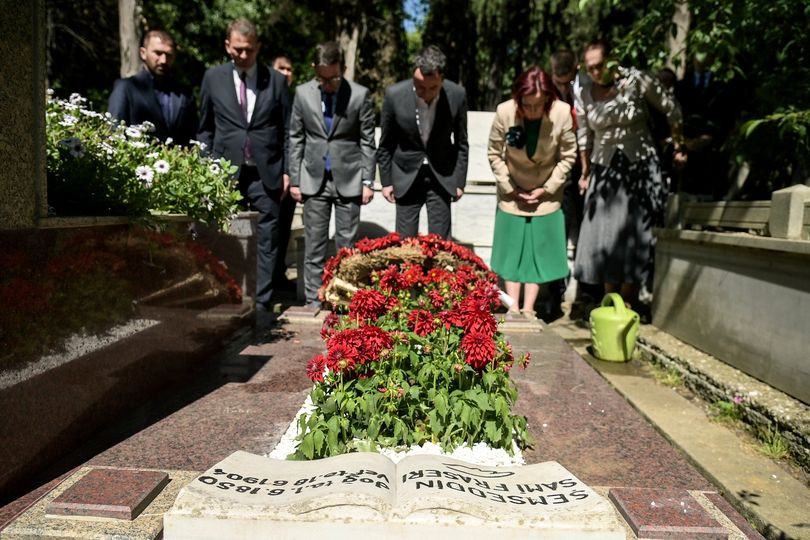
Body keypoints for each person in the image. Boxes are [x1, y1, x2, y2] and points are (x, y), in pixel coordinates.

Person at [573, 40, 686, 308]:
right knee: (605, 233)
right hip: (604, 169)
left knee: (636, 233)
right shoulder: (584, 92)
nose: (595, 72)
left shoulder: (637, 79)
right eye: (590, 68)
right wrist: (585, 172)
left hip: (640, 165)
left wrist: (679, 146)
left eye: (600, 65)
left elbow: (671, 109)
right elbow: (584, 135)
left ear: (612, 59)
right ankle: (609, 302)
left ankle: (629, 303)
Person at [197, 18, 291, 312]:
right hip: (225, 172)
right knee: (224, 236)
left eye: (249, 49)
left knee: (267, 238)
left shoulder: (276, 81)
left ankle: (261, 303)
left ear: (258, 47)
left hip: (266, 173)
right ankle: (230, 296)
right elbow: (205, 129)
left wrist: (288, 171)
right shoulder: (213, 78)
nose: (243, 55)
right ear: (228, 46)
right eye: (238, 49)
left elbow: (287, 130)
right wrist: (206, 168)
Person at [289, 42, 376, 308]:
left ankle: (344, 303)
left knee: (346, 249)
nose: (328, 84)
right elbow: (295, 138)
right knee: (314, 247)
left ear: (343, 69)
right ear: (314, 69)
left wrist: (367, 180)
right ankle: (313, 302)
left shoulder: (359, 95)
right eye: (322, 79)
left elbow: (367, 140)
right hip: (313, 180)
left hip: (349, 180)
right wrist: (295, 179)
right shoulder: (302, 94)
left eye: (334, 78)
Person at [487, 66, 576, 318]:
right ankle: (513, 307)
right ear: (518, 98)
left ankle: (529, 308)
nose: (533, 111)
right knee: (512, 250)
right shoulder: (504, 111)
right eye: (527, 105)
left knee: (536, 252)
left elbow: (568, 156)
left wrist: (547, 188)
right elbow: (494, 153)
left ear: (548, 98)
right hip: (512, 193)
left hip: (545, 195)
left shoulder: (562, 113)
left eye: (539, 105)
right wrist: (510, 187)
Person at [377, 45, 469, 239]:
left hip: (442, 176)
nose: (425, 93)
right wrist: (386, 181)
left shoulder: (457, 95)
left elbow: (462, 142)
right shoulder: (394, 95)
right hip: (406, 176)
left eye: (433, 88)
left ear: (442, 79)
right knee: (405, 244)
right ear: (413, 75)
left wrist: (459, 181)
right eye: (420, 87)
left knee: (440, 244)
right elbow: (386, 143)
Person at [108, 30, 197, 145]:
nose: (163, 60)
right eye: (158, 53)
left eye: (169, 55)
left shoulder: (184, 93)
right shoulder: (125, 88)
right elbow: (115, 132)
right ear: (143, 53)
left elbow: (193, 135)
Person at [271, 51, 297, 293]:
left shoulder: (296, 99)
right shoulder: (264, 95)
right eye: (281, 68)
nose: (286, 73)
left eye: (289, 69)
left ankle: (278, 274)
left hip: (289, 174)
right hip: (267, 173)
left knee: (284, 228)